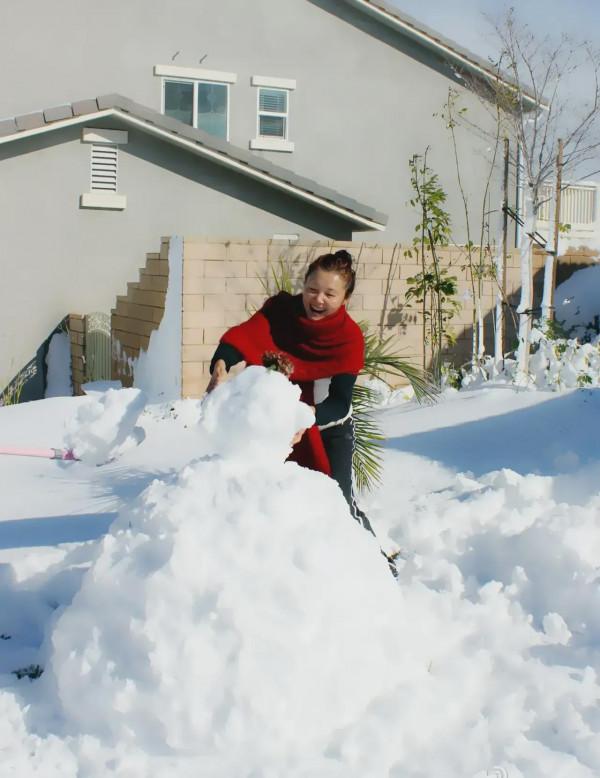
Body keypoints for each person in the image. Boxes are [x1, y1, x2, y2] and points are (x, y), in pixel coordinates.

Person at [206, 249, 374, 534]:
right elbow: (244, 337)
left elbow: (340, 402)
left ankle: (377, 565)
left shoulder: (348, 338)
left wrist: (305, 415)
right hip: (273, 428)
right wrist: (221, 364)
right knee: (274, 503)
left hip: (327, 428)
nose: (318, 300)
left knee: (339, 504)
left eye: (330, 294)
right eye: (312, 289)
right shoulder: (281, 312)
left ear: (345, 298)